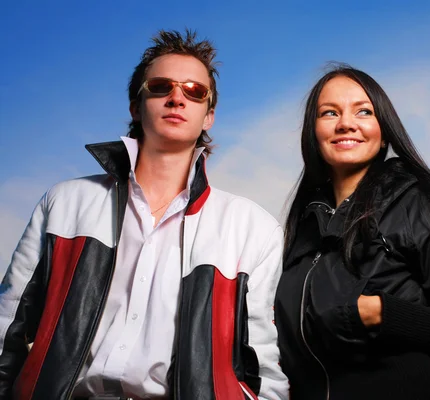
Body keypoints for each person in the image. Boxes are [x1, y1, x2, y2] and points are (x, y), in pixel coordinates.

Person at [0, 29, 288, 400]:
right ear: (136, 107)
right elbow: (9, 323)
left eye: (194, 91)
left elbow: (262, 366)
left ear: (209, 117)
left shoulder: (254, 229)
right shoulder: (65, 203)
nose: (177, 98)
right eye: (161, 86)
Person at [274, 65, 430, 399]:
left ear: (384, 132)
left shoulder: (418, 202)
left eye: (363, 111)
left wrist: (382, 313)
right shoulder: (300, 227)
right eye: (329, 112)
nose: (346, 122)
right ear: (313, 133)